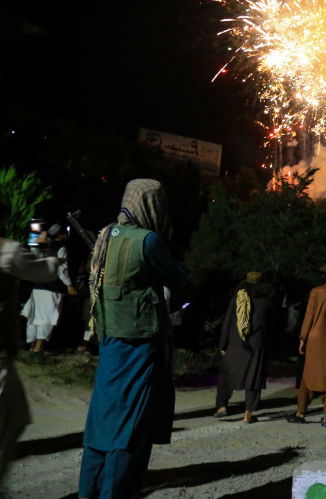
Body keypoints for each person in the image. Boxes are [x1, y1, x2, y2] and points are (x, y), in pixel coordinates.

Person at [78, 179, 187, 499]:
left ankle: (89, 490)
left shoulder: (105, 235)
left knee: (103, 416)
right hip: (141, 343)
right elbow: (179, 277)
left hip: (110, 339)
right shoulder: (149, 241)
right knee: (131, 423)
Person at [0, 234, 60, 487]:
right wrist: (48, 249)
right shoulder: (7, 251)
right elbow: (44, 270)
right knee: (12, 420)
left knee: (16, 416)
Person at [289, 264, 326, 427]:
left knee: (309, 376)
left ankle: (300, 413)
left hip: (316, 340)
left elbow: (309, 317)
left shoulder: (316, 292)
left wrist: (302, 338)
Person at [214, 271, 275, 424]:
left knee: (227, 374)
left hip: (236, 342)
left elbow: (227, 323)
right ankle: (248, 413)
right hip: (256, 344)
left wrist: (223, 344)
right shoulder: (266, 302)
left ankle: (222, 406)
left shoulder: (237, 298)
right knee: (253, 377)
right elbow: (272, 326)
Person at [20, 223, 75, 353]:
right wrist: (69, 284)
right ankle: (39, 346)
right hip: (52, 287)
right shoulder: (60, 248)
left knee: (35, 316)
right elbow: (62, 268)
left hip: (37, 286)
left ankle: (32, 345)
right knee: (47, 317)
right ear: (61, 235)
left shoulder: (42, 246)